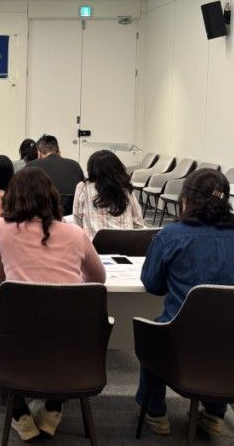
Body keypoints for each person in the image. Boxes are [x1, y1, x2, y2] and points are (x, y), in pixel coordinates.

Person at [0, 167, 105, 442]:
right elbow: (98, 279)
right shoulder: (75, 233)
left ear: (12, 197)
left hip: (17, 339)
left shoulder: (1, 228)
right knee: (60, 330)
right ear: (52, 198)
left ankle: (19, 414)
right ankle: (53, 408)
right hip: (71, 341)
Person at [136, 168, 234, 438]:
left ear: (186, 199)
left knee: (154, 330)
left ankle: (155, 413)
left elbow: (152, 284)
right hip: (229, 345)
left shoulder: (171, 235)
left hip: (179, 343)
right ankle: (214, 414)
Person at [72, 150, 144, 240]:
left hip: (94, 245)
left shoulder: (83, 187)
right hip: (124, 244)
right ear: (117, 168)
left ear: (91, 169)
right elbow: (138, 223)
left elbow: (77, 220)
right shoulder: (125, 188)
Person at [27, 134, 84, 215]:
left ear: (38, 154)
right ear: (59, 153)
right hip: (70, 215)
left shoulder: (31, 166)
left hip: (41, 215)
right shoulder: (75, 165)